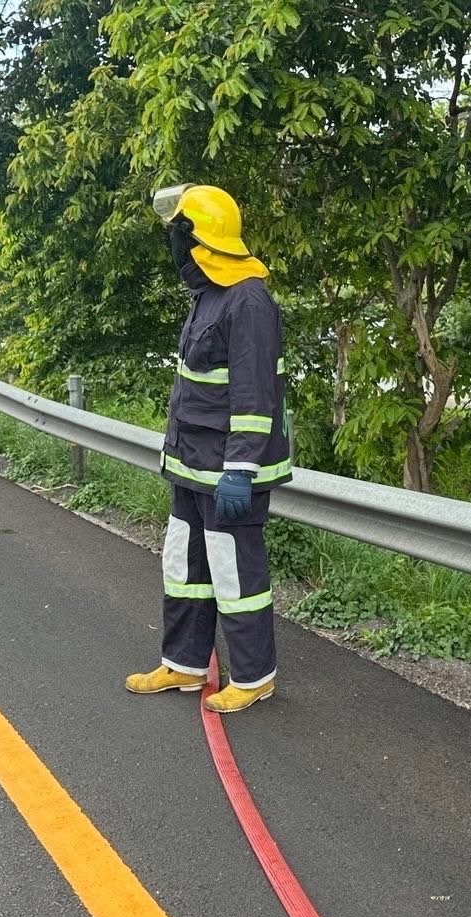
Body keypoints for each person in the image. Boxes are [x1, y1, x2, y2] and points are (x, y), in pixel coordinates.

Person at [125, 184, 292, 714]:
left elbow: (254, 394)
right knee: (185, 567)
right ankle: (184, 664)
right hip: (192, 465)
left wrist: (241, 469)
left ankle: (253, 676)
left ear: (198, 240)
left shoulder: (248, 301)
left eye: (177, 234)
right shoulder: (208, 295)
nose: (171, 246)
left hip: (227, 469)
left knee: (236, 575)